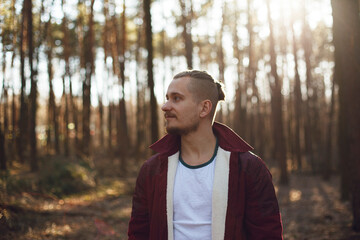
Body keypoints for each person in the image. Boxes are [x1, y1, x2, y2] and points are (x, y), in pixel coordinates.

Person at [127, 70, 283, 240]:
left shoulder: (248, 168)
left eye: (176, 98)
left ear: (204, 108)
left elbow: (267, 234)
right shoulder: (152, 170)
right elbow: (138, 233)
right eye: (167, 98)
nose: (165, 106)